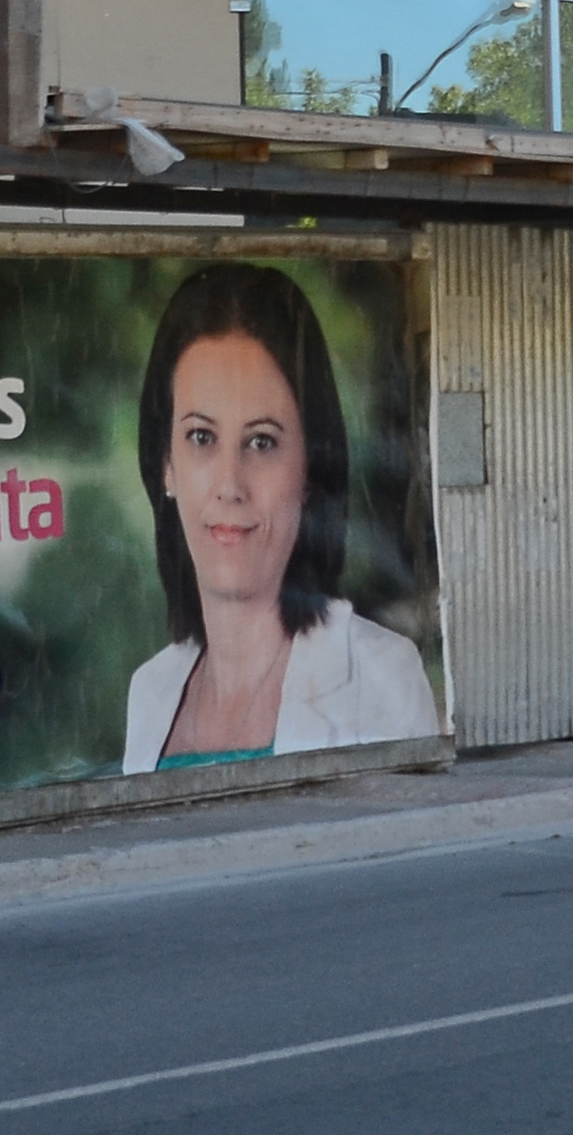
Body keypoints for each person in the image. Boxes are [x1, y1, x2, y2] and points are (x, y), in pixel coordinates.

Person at [121, 264, 441, 774]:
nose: (230, 484)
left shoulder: (381, 675)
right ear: (166, 465)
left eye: (261, 442)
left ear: (309, 467)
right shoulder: (149, 690)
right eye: (201, 437)